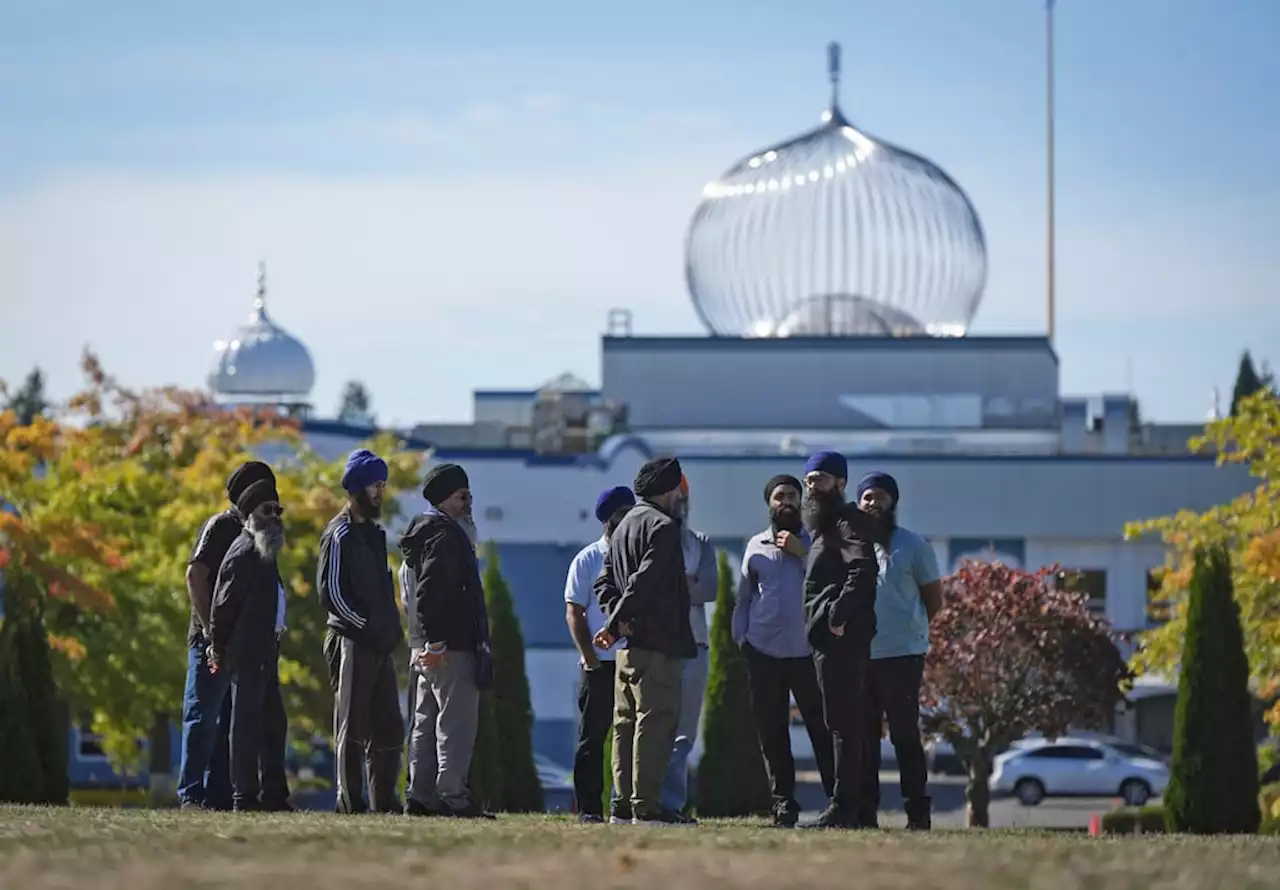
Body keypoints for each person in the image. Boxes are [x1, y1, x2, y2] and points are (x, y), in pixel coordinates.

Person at [178, 461, 290, 812]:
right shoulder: (222, 527)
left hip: (244, 647)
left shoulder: (261, 532)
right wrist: (213, 636)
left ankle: (221, 796)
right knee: (203, 718)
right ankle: (192, 795)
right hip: (212, 640)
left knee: (232, 723)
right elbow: (196, 575)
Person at [593, 456, 696, 826]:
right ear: (669, 490)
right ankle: (646, 807)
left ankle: (621, 806)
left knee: (624, 724)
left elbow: (603, 584)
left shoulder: (620, 528)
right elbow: (645, 581)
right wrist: (617, 620)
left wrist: (617, 622)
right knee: (655, 724)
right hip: (658, 643)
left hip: (629, 650)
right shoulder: (663, 526)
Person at [733, 473, 835, 827]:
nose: (787, 502)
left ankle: (837, 803)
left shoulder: (817, 542)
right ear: (769, 504)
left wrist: (801, 552)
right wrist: (740, 639)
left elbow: (829, 581)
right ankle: (783, 806)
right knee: (772, 733)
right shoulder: (755, 545)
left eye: (792, 495)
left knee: (822, 729)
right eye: (780, 496)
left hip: (807, 654)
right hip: (762, 652)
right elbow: (744, 597)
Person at [399, 462, 495, 819]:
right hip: (448, 648)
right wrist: (437, 643)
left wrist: (426, 643)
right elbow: (429, 593)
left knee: (425, 722)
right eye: (461, 496)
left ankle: (419, 795)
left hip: (426, 648)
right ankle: (453, 796)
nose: (468, 503)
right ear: (443, 500)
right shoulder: (446, 536)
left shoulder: (423, 534)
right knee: (455, 724)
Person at [317, 449, 406, 814]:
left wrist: (390, 631)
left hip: (379, 646)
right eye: (374, 484)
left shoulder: (374, 534)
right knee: (351, 727)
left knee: (388, 728)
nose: (380, 492)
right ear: (355, 487)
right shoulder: (338, 534)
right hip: (351, 643)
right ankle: (350, 800)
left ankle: (384, 800)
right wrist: (366, 629)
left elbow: (384, 591)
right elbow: (331, 594)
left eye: (383, 484)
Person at [854, 471, 942, 831]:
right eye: (867, 498)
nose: (873, 503)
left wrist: (911, 631)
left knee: (905, 735)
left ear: (893, 503)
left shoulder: (913, 545)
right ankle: (864, 814)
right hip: (859, 656)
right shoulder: (849, 545)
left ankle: (917, 814)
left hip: (902, 656)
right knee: (864, 738)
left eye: (880, 497)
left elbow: (934, 600)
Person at [800, 450, 880, 829]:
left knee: (844, 724)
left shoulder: (848, 523)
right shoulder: (827, 526)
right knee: (843, 722)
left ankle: (844, 807)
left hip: (841, 639)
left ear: (841, 483)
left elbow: (862, 570)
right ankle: (855, 808)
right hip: (829, 639)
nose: (813, 486)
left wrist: (836, 616)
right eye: (809, 479)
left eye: (821, 478)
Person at [207, 478, 288, 812]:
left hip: (265, 653)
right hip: (248, 652)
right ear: (250, 513)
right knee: (245, 726)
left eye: (278, 510)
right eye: (267, 510)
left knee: (273, 725)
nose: (274, 517)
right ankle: (245, 795)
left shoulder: (264, 550)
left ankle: (273, 795)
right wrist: (217, 646)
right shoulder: (243, 551)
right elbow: (222, 606)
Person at [563, 485, 635, 824]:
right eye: (622, 516)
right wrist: (590, 658)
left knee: (634, 736)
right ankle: (589, 808)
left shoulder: (638, 556)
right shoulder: (588, 558)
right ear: (607, 520)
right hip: (599, 665)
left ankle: (629, 805)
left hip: (633, 661)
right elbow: (574, 612)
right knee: (592, 737)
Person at [660, 475, 717, 822]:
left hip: (694, 647)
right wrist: (684, 583)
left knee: (683, 733)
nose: (675, 500)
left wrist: (673, 586)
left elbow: (708, 589)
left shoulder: (701, 544)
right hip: (656, 647)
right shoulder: (644, 541)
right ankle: (638, 801)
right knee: (651, 727)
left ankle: (671, 805)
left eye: (679, 493)